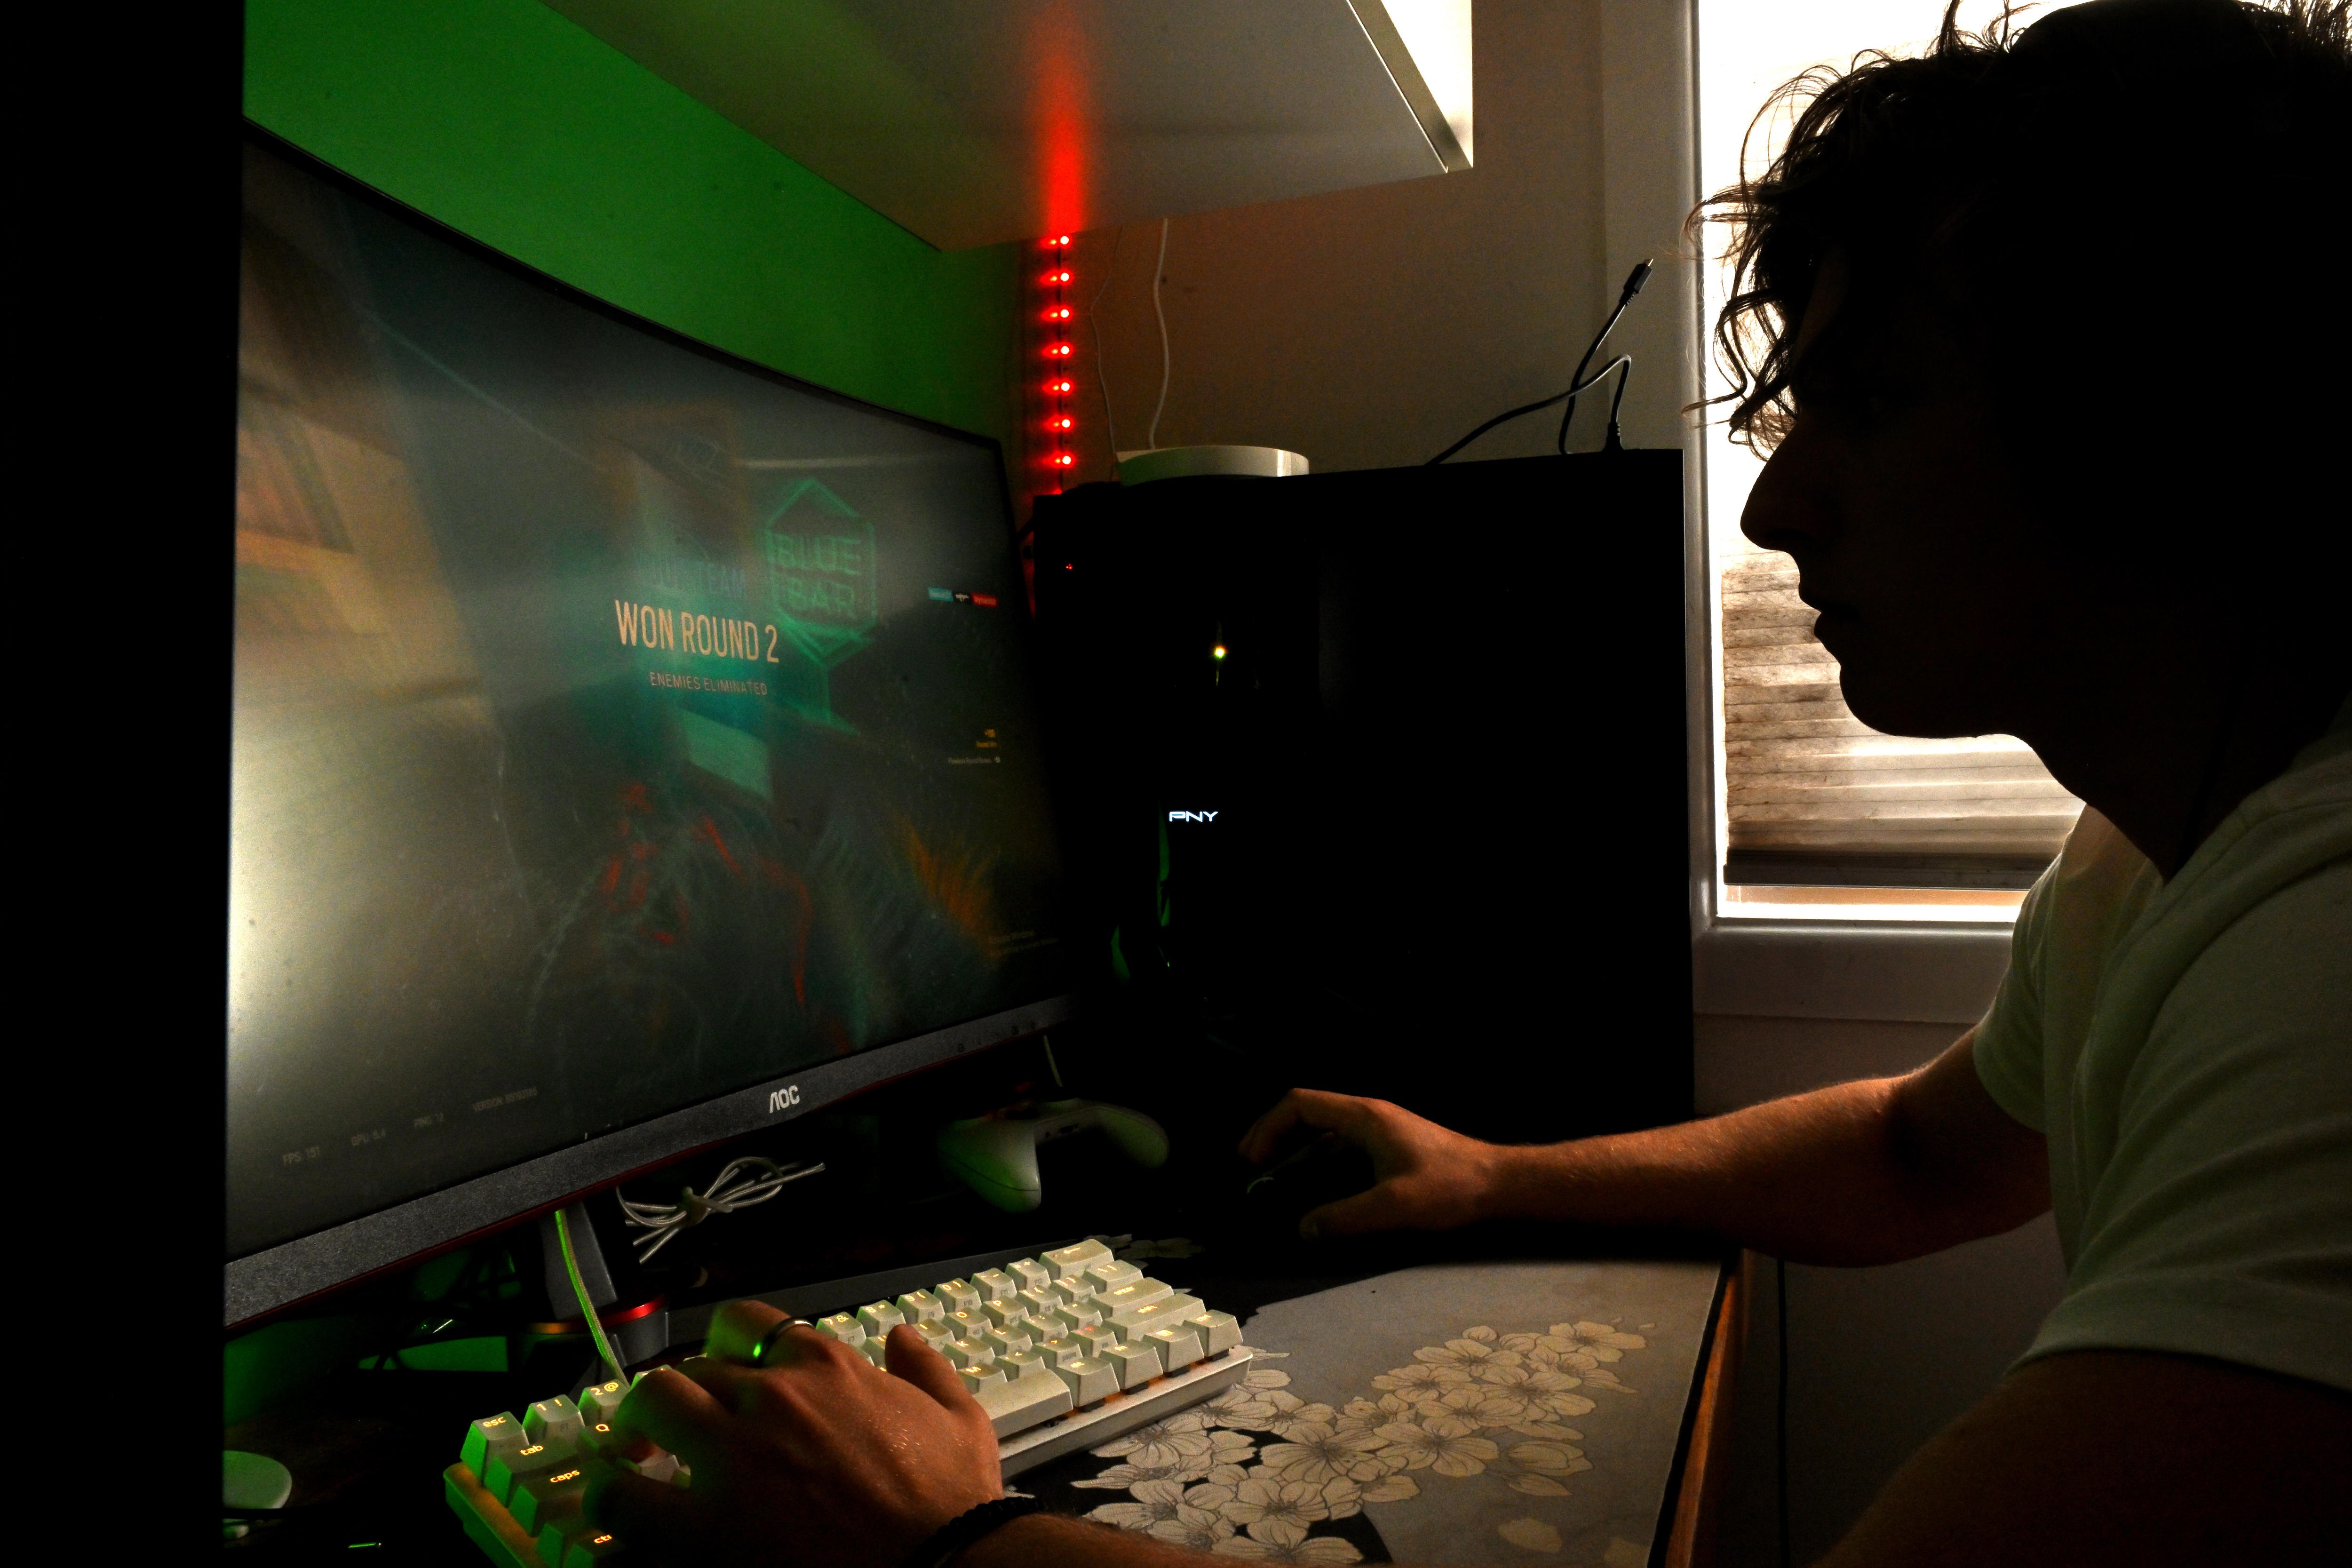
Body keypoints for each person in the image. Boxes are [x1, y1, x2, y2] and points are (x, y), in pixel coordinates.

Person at [582, 2, 2351, 1562]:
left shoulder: (2327, 961)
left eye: (1873, 401)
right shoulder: (2151, 857)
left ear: (2174, 408)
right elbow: (1913, 1154)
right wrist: (1491, 1177)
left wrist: (929, 1540)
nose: (1773, 505)